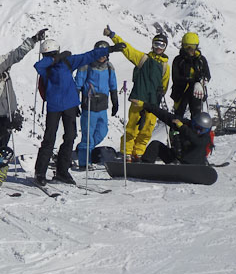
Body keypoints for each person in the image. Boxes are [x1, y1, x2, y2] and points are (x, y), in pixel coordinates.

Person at [33, 39, 125, 185]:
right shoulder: (47, 66)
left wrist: (110, 49)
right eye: (48, 55)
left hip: (69, 104)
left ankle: (62, 171)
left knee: (70, 137)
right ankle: (40, 172)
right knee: (50, 139)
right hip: (55, 106)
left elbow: (89, 55)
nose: (48, 57)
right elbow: (38, 65)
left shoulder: (68, 61)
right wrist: (56, 58)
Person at [105, 26, 171, 162]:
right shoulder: (143, 58)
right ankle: (126, 152)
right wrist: (112, 35)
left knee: (147, 129)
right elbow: (127, 49)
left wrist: (160, 94)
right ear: (152, 45)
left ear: (165, 47)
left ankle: (138, 152)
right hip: (138, 99)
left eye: (161, 45)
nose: (158, 47)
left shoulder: (166, 66)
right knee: (132, 128)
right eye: (156, 44)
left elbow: (164, 84)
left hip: (153, 102)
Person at [74, 41, 119, 169]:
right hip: (89, 105)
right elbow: (78, 84)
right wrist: (76, 103)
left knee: (102, 131)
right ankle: (84, 162)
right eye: (100, 54)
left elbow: (113, 85)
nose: (102, 57)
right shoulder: (86, 66)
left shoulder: (109, 67)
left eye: (104, 54)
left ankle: (83, 149)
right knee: (88, 134)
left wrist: (115, 102)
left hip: (102, 106)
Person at [131, 100, 213, 165]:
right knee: (155, 145)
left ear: (207, 130)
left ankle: (185, 166)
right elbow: (165, 116)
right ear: (193, 123)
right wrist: (146, 105)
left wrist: (182, 127)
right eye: (197, 128)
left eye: (202, 130)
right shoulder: (187, 124)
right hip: (177, 160)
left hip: (193, 163)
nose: (198, 131)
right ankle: (145, 166)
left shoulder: (205, 137)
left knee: (198, 147)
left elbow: (196, 141)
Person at [170, 32, 211, 119]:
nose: (190, 50)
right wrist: (193, 82)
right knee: (178, 116)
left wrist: (201, 82)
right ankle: (176, 131)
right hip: (180, 92)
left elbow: (207, 75)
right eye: (187, 46)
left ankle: (194, 132)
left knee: (196, 115)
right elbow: (176, 78)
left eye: (192, 46)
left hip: (196, 93)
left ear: (197, 46)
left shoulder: (201, 60)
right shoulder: (178, 60)